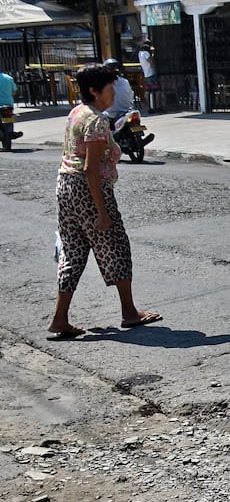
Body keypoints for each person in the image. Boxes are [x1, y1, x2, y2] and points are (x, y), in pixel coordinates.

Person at [47, 63, 161, 340]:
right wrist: (101, 212)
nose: (113, 92)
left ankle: (59, 318)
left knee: (72, 251)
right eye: (109, 87)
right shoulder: (96, 120)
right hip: (89, 189)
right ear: (94, 90)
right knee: (115, 246)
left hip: (66, 186)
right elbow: (91, 168)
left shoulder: (76, 112)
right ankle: (129, 312)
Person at [137, 40, 162, 114]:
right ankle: (158, 106)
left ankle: (149, 107)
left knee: (148, 92)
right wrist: (153, 54)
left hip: (146, 74)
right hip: (152, 74)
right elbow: (151, 62)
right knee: (157, 90)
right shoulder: (146, 53)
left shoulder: (140, 53)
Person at [0, 69, 21, 146]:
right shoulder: (9, 78)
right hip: (9, 104)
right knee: (9, 122)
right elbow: (14, 91)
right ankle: (10, 132)